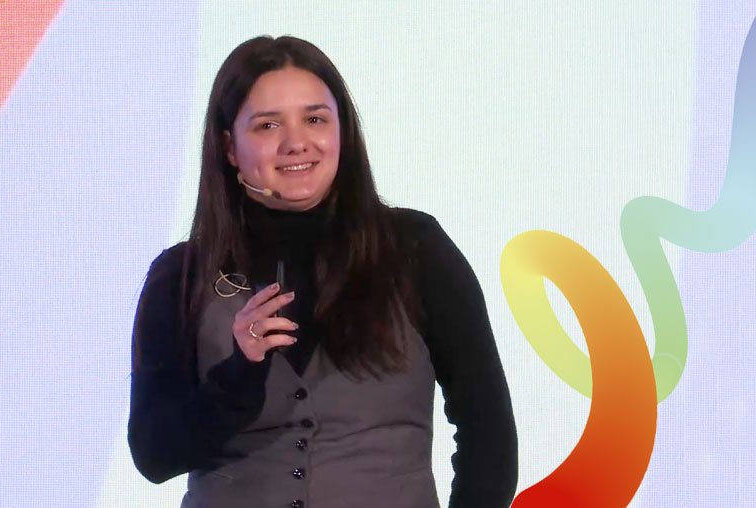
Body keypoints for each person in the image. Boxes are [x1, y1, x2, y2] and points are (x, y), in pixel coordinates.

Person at [128, 35, 517, 508]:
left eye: (315, 119)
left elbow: (488, 433)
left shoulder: (416, 248)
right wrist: (238, 374)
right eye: (268, 125)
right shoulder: (181, 275)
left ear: (342, 132)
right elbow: (153, 456)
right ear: (229, 147)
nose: (296, 143)